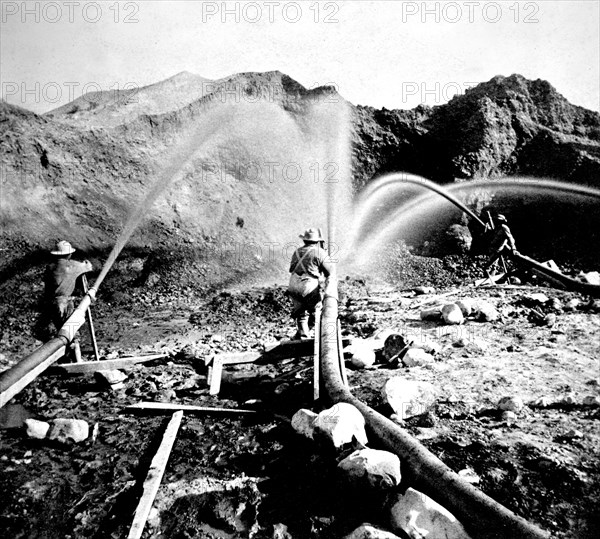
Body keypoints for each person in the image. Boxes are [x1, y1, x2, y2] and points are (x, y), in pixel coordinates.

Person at [43, 240, 93, 361]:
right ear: (69, 254)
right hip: (65, 302)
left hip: (52, 302)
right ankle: (77, 359)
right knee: (72, 330)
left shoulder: (50, 267)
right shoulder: (73, 266)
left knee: (61, 330)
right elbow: (89, 267)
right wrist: (85, 263)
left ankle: (66, 357)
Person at [287, 228, 334, 340]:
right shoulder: (320, 252)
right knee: (316, 309)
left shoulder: (297, 251)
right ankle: (315, 335)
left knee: (301, 311)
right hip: (308, 284)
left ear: (304, 240)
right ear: (317, 241)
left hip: (293, 283)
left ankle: (302, 334)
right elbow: (329, 272)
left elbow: (291, 269)